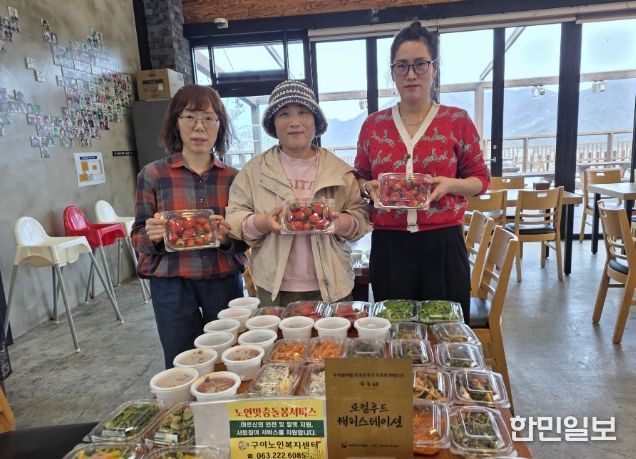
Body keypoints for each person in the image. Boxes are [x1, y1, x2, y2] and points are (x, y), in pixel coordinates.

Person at [354, 22, 490, 322]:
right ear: (393, 72)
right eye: (402, 66)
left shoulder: (456, 120)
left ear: (434, 68)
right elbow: (360, 175)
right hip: (390, 246)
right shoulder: (374, 125)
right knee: (396, 330)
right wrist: (368, 187)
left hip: (442, 243)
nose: (411, 74)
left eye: (420, 64)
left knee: (446, 331)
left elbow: (481, 180)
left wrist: (450, 185)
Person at [131, 85, 248, 368]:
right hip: (171, 285)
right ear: (176, 121)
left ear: (220, 125)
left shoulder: (234, 178)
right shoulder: (153, 175)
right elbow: (137, 235)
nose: (199, 127)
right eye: (190, 117)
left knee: (228, 359)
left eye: (208, 118)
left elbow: (245, 238)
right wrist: (153, 236)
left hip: (222, 281)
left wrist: (227, 238)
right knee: (181, 360)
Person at [226, 80, 371, 307]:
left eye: (303, 112)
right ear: (273, 123)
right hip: (274, 288)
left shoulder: (338, 170)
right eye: (284, 114)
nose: (294, 122)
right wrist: (263, 222)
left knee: (335, 332)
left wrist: (340, 223)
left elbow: (361, 217)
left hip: (333, 286)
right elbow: (234, 218)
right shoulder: (254, 171)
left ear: (316, 121)